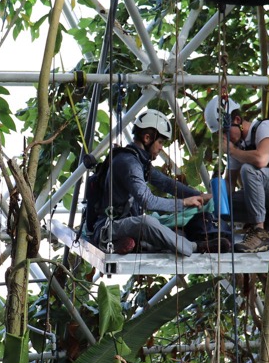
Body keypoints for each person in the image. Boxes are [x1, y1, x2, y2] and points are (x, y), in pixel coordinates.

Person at [94, 108, 230, 256]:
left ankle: (137, 243)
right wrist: (184, 202)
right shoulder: (129, 163)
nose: (161, 148)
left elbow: (166, 184)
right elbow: (148, 201)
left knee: (161, 222)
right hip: (109, 228)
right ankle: (195, 246)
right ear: (147, 138)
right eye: (160, 142)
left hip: (127, 222)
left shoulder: (139, 161)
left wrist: (199, 196)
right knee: (147, 223)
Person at [204, 96, 269, 253]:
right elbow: (229, 185)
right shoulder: (238, 148)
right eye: (220, 134)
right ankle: (218, 233)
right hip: (267, 198)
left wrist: (232, 151)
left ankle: (259, 232)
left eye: (225, 131)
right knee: (220, 204)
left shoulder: (264, 128)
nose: (224, 138)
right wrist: (210, 200)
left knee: (248, 169)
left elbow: (261, 159)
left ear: (237, 119)